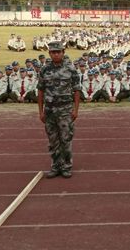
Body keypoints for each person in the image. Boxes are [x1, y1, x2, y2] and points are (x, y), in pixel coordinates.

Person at [38, 41, 81, 179]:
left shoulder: (71, 69)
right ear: (49, 53)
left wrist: (75, 110)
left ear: (63, 53)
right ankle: (56, 166)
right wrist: (41, 111)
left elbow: (76, 90)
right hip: (50, 110)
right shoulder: (44, 69)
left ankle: (66, 166)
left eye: (58, 52)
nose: (56, 54)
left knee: (65, 138)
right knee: (53, 140)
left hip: (65, 110)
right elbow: (40, 90)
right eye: (53, 52)